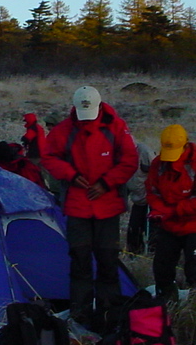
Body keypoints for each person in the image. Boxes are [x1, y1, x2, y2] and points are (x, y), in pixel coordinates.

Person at [41, 85, 138, 331]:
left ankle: (109, 312)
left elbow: (129, 160)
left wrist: (107, 183)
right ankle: (81, 313)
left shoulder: (117, 127)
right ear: (74, 107)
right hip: (77, 205)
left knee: (107, 259)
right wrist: (71, 175)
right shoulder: (63, 130)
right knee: (80, 260)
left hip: (108, 205)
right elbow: (49, 157)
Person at [146, 124, 196, 302]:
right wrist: (158, 211)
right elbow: (152, 192)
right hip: (168, 226)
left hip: (195, 226)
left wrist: (172, 211)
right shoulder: (158, 165)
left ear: (185, 146)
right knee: (162, 267)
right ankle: (166, 305)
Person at [125, 140, 158, 255]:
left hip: (151, 201)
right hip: (138, 200)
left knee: (152, 233)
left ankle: (152, 257)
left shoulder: (144, 152)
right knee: (133, 232)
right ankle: (134, 256)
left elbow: (157, 171)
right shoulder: (118, 154)